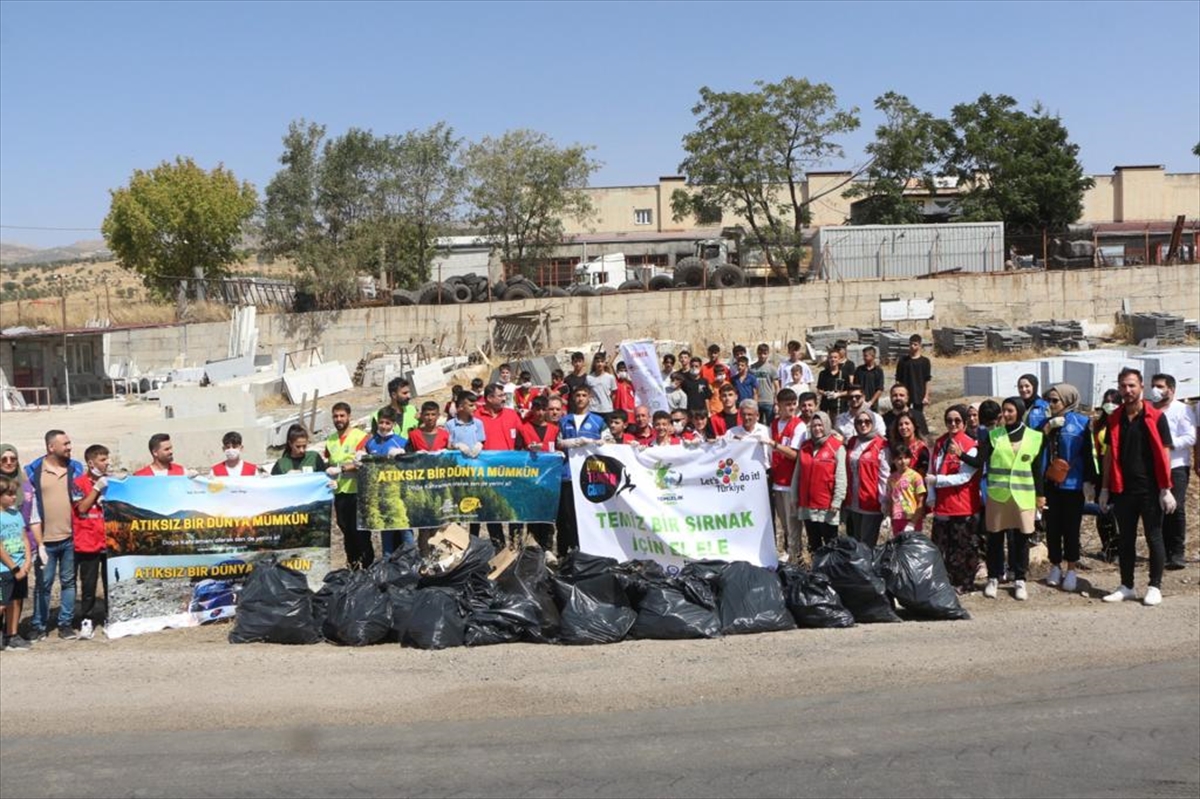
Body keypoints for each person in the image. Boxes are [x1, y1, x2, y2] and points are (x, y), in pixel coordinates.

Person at [1100, 368, 1174, 606]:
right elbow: (1109, 455)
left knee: (1154, 536)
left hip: (1150, 489)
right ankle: (1127, 586)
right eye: (1123, 386)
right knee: (1125, 539)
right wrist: (1104, 488)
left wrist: (1166, 488)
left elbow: (1164, 453)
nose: (1127, 390)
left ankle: (1155, 586)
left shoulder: (1155, 417)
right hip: (1123, 488)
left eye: (1132, 385)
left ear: (1141, 386)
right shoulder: (1115, 418)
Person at [980, 397, 1046, 601]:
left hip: (1023, 495)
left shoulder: (1034, 437)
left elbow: (1037, 470)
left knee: (1021, 539)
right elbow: (980, 460)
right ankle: (993, 577)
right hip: (998, 495)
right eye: (1004, 411)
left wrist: (1040, 495)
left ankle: (1019, 579)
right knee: (995, 538)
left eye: (1010, 410)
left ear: (1019, 411)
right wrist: (961, 454)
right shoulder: (994, 435)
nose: (1006, 414)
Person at [26, 429, 84, 641]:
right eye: (65, 444)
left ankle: (65, 624)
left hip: (70, 538)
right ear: (51, 447)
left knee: (69, 583)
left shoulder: (76, 468)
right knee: (43, 585)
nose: (69, 447)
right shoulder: (33, 471)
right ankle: (39, 625)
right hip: (45, 541)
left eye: (69, 443)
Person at [1040, 384, 1096, 594]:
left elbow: (1089, 453)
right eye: (1049, 400)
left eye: (1055, 400)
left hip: (1073, 484)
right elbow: (1036, 450)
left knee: (1071, 527)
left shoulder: (1081, 423)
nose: (1051, 404)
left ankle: (1071, 568)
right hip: (1051, 483)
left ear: (1067, 400)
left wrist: (1089, 481)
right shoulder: (1046, 423)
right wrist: (1046, 430)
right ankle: (1055, 566)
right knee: (1053, 527)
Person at [926, 405, 982, 594]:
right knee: (941, 546)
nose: (953, 424)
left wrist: (938, 481)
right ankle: (945, 582)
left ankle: (965, 583)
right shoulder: (940, 443)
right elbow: (932, 470)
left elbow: (964, 477)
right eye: (949, 420)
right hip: (942, 505)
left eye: (957, 420)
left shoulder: (970, 445)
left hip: (962, 504)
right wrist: (931, 495)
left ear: (965, 423)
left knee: (963, 548)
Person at [1150, 373, 1194, 570]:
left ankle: (1176, 553)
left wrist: (1167, 445)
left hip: (1176, 466)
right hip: (1153, 467)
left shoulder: (1182, 410)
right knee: (1156, 509)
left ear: (1171, 389)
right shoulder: (1148, 409)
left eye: (1160, 386)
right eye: (1153, 385)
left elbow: (1190, 437)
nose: (1156, 390)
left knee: (1175, 508)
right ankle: (1161, 552)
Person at [557, 386, 606, 555]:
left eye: (584, 395)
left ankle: (590, 551)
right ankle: (567, 552)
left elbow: (609, 441)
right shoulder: (564, 420)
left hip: (591, 475)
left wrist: (596, 442)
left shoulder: (598, 420)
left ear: (589, 398)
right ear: (573, 398)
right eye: (577, 395)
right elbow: (558, 442)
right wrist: (575, 442)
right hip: (568, 475)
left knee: (590, 516)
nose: (580, 398)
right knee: (568, 516)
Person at [324, 402, 370, 569]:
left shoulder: (360, 436)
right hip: (339, 492)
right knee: (345, 529)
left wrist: (342, 469)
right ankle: (352, 565)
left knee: (360, 532)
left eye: (342, 416)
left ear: (349, 416)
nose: (339, 419)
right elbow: (328, 461)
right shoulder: (331, 440)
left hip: (357, 491)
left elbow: (364, 462)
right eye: (335, 416)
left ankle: (367, 565)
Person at [71, 444, 110, 640]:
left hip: (108, 542)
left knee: (111, 583)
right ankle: (86, 620)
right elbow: (81, 508)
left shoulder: (111, 482)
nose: (107, 463)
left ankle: (111, 617)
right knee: (88, 585)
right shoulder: (77, 483)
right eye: (103, 460)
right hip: (87, 542)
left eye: (107, 459)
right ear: (91, 463)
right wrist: (96, 489)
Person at [797, 412, 846, 557]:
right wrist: (795, 496)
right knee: (814, 543)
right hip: (808, 505)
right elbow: (797, 474)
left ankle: (831, 569)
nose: (817, 429)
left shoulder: (836, 447)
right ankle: (816, 568)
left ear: (827, 425)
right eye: (814, 426)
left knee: (831, 544)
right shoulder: (805, 446)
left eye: (820, 425)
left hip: (827, 505)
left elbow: (841, 476)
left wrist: (837, 500)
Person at [516, 395, 561, 553]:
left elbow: (558, 449)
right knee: (533, 516)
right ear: (532, 410)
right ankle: (532, 550)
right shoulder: (523, 428)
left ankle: (547, 549)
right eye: (537, 409)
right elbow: (516, 452)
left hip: (549, 479)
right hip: (531, 478)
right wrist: (527, 450)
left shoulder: (554, 429)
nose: (540, 413)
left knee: (548, 516)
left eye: (543, 409)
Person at [844, 410, 890, 548]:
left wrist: (884, 501)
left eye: (867, 421)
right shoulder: (852, 442)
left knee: (866, 544)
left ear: (873, 423)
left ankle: (867, 563)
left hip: (871, 502)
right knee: (854, 542)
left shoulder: (881, 444)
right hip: (853, 501)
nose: (863, 425)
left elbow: (884, 475)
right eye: (859, 422)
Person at [768, 388, 804, 562]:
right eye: (787, 404)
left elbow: (795, 455)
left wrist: (775, 445)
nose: (791, 407)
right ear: (779, 405)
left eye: (793, 404)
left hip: (791, 482)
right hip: (777, 481)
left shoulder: (798, 425)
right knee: (784, 524)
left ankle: (796, 559)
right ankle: (789, 556)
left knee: (793, 525)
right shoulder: (774, 424)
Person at [1, 474, 35, 651]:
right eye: (9, 494)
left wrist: (27, 561)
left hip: (21, 567)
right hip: (4, 569)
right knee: (2, 603)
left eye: (15, 493)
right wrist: (14, 568)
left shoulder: (16, 515)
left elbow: (24, 538)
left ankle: (11, 635)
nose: (14, 497)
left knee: (16, 601)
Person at [885, 445, 927, 535]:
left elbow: (920, 501)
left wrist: (912, 523)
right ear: (894, 460)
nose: (903, 461)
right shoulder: (891, 478)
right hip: (897, 519)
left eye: (906, 458)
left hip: (911, 518)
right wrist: (888, 516)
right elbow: (890, 499)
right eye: (899, 458)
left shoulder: (916, 477)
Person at [894, 334, 932, 435]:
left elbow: (927, 380)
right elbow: (898, 379)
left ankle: (919, 434)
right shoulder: (903, 361)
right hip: (905, 393)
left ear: (919, 345)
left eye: (915, 344)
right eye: (910, 344)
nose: (912, 346)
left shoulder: (925, 362)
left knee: (918, 416)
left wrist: (926, 396)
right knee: (903, 414)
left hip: (919, 393)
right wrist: (897, 394)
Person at [478, 383, 522, 451]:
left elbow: (523, 433)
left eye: (504, 395)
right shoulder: (477, 416)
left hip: (509, 456)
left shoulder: (512, 414)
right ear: (489, 398)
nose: (504, 399)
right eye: (500, 396)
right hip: (485, 457)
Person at [889, 411, 929, 476]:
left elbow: (923, 472)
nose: (903, 427)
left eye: (907, 423)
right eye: (900, 425)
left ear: (914, 426)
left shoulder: (921, 448)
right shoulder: (896, 448)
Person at [816, 349, 853, 417]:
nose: (833, 359)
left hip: (839, 406)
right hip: (826, 406)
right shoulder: (823, 374)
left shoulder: (844, 374)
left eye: (835, 357)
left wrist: (838, 394)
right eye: (831, 357)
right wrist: (825, 393)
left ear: (839, 360)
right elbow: (819, 389)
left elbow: (848, 391)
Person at [586, 352, 617, 424]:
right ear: (594, 363)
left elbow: (614, 394)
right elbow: (587, 392)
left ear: (604, 363)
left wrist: (609, 404)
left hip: (607, 410)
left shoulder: (610, 377)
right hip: (593, 410)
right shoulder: (589, 378)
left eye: (602, 362)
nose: (600, 364)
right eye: (598, 362)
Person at [749, 343, 777, 424]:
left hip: (769, 401)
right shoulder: (752, 368)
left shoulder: (772, 368)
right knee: (757, 425)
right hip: (756, 401)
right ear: (757, 353)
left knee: (770, 425)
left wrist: (776, 401)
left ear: (768, 354)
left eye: (765, 353)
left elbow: (777, 386)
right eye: (760, 353)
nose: (762, 356)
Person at [854, 346, 885, 411]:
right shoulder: (859, 370)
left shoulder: (878, 371)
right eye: (863, 356)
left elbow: (880, 389)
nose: (864, 358)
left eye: (866, 356)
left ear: (873, 356)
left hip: (873, 405)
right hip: (860, 403)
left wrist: (870, 402)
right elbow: (855, 386)